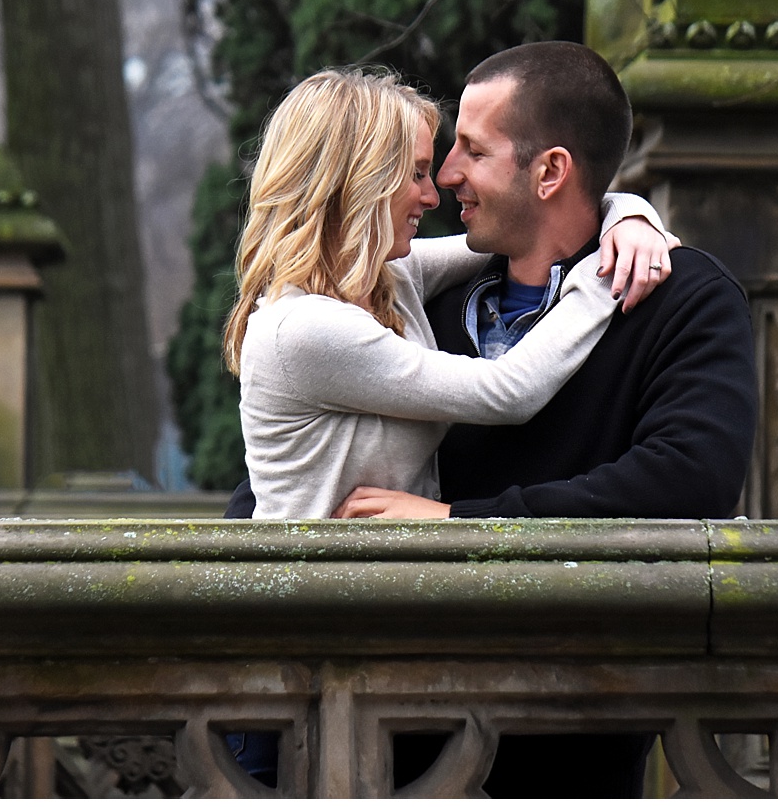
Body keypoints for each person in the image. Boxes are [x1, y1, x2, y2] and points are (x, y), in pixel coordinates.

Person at [328, 41, 758, 797]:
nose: (447, 175)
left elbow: (691, 478)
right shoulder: (410, 300)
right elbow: (294, 461)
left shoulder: (682, 299)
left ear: (551, 170)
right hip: (385, 736)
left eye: (471, 149)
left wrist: (461, 520)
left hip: (574, 735)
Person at [224, 66, 677, 521]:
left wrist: (627, 214)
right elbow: (507, 392)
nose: (433, 193)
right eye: (416, 173)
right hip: (313, 587)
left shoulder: (387, 278)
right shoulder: (303, 328)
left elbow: (529, 228)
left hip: (377, 580)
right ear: (360, 180)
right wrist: (609, 273)